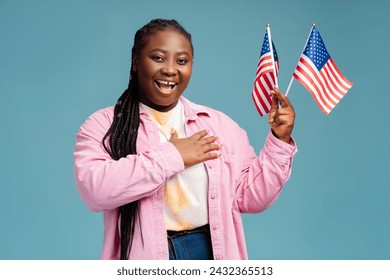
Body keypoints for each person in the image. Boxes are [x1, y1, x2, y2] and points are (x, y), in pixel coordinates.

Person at [73, 18, 297, 260]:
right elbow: (95, 190)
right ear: (136, 61)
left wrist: (279, 140)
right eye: (158, 57)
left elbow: (250, 198)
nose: (170, 69)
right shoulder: (105, 125)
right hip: (146, 256)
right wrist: (174, 156)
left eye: (182, 61)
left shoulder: (218, 125)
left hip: (211, 251)